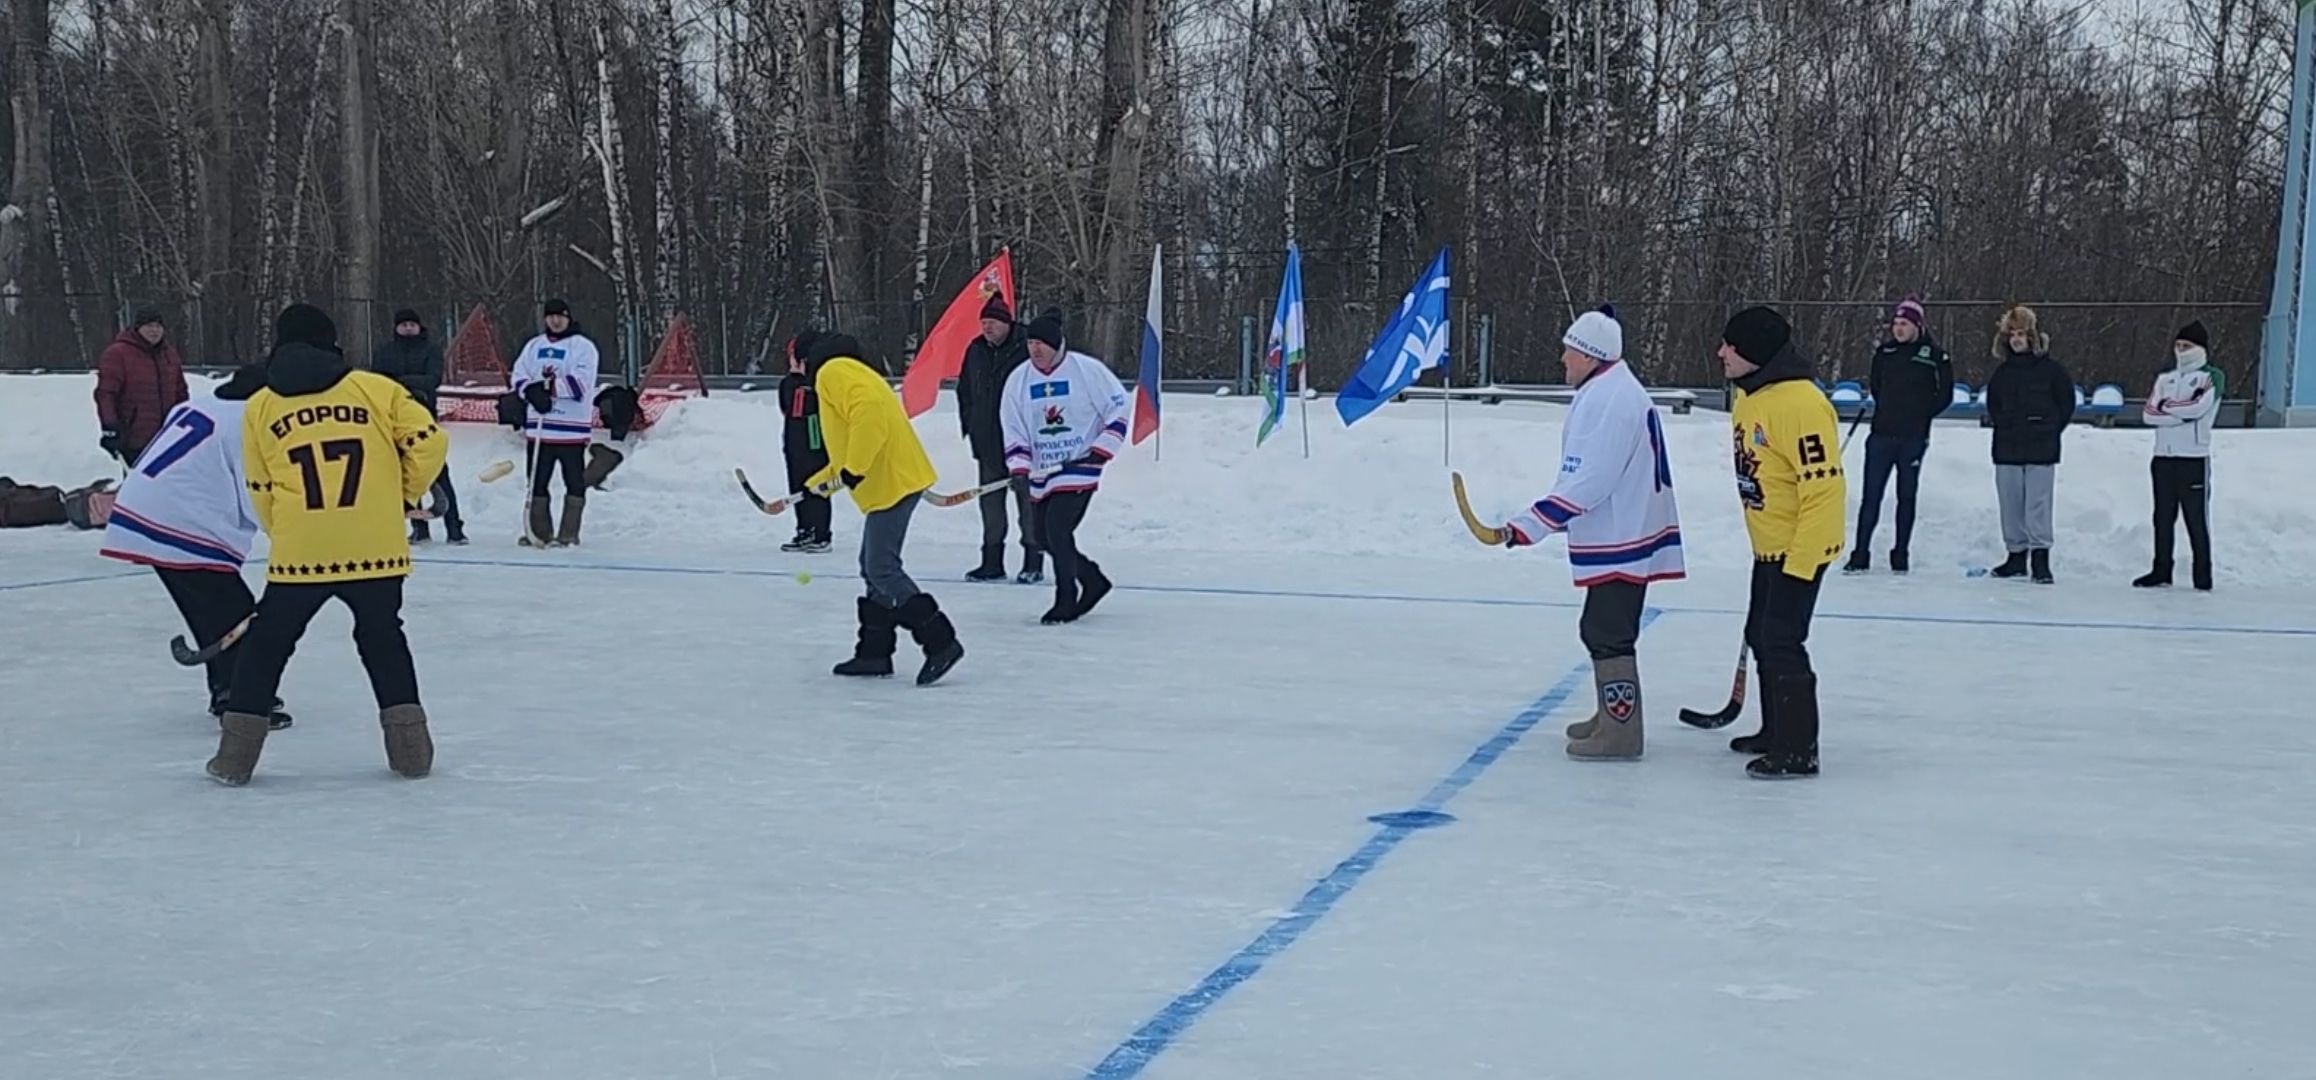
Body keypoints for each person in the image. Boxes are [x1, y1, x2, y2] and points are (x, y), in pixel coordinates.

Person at [206, 303, 447, 786]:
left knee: (268, 645)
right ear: (332, 343)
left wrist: (287, 531)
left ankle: (234, 760)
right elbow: (429, 441)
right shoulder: (377, 390)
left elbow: (259, 486)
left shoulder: (261, 407)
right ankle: (411, 753)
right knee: (383, 639)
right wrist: (400, 492)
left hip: (302, 554)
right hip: (376, 549)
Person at [1496, 305, 1683, 761]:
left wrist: (1530, 525)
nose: (1563, 358)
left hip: (1624, 533)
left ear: (1591, 356)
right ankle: (1611, 716)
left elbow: (1591, 479)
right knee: (1603, 625)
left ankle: (1621, 731)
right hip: (1624, 528)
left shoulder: (1609, 400)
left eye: (1570, 350)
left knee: (1607, 630)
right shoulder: (1610, 388)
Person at [96, 363, 292, 730]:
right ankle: (238, 701)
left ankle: (230, 688)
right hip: (181, 521)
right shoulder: (248, 422)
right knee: (235, 613)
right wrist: (290, 532)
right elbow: (255, 490)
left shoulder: (197, 405)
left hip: (149, 508)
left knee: (220, 611)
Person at [1720, 306, 1845, 780]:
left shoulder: (1802, 404)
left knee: (1783, 640)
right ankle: (1774, 730)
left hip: (1801, 547)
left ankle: (1798, 748)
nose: (1721, 353)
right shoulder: (1750, 396)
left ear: (1754, 351)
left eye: (1730, 345)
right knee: (1761, 636)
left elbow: (1824, 488)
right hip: (1768, 546)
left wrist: (1802, 559)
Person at [805, 333, 964, 685]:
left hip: (893, 482)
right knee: (872, 566)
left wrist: (854, 470)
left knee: (881, 567)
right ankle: (874, 652)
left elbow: (870, 417)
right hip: (894, 480)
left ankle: (941, 641)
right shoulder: (855, 371)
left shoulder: (833, 372)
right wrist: (822, 482)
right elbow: (852, 445)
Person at [999, 308, 1130, 625]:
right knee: (1042, 538)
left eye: (1042, 343)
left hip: (1080, 465)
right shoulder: (1019, 379)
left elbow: (1120, 406)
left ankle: (1065, 597)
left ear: (1056, 345)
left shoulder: (1087, 370)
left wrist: (1102, 448)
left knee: (1058, 529)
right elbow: (1013, 425)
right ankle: (1093, 580)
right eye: (1031, 343)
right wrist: (1019, 466)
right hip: (1042, 471)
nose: (1036, 349)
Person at [1843, 296, 1952, 575]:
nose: (1899, 329)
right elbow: (1877, 386)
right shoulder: (1885, 353)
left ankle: (1901, 552)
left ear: (1917, 325)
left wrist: (1921, 414)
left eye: (1904, 324)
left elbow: (1945, 394)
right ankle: (1860, 552)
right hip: (1882, 434)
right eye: (1895, 324)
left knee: (1907, 495)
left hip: (1913, 437)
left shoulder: (1935, 356)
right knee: (1871, 495)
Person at [1983, 305, 2074, 584]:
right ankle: (2016, 555)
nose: (2017, 339)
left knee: (2038, 504)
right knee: (2011, 503)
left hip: (2041, 446)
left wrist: (2048, 427)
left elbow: (2066, 403)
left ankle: (2040, 557)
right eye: (2012, 334)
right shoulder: (2002, 373)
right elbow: (1993, 405)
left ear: (2032, 337)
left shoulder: (2052, 371)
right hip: (2008, 447)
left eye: (2021, 333)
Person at [957, 295, 1042, 582]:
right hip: (986, 442)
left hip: (1022, 442)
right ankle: (991, 561)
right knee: (991, 506)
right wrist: (970, 424)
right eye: (983, 322)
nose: (987, 327)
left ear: (1007, 323)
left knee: (1028, 505)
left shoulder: (1027, 347)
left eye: (992, 322)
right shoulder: (975, 350)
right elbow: (964, 389)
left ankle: (1033, 561)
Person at [2135, 321, 2219, 591]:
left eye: (2187, 346)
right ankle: (2161, 570)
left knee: (2196, 519)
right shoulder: (2165, 379)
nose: (2181, 351)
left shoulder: (2211, 376)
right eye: (2178, 346)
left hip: (2193, 458)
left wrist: (2168, 407)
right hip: (2163, 457)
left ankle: (2202, 575)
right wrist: (2175, 415)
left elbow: (2198, 408)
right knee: (2162, 517)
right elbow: (2149, 414)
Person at [371, 308, 466, 545]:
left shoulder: (431, 349)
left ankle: (455, 528)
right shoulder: (385, 351)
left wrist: (403, 383)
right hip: (393, 421)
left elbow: (433, 378)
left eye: (412, 325)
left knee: (438, 472)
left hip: (423, 421)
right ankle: (419, 527)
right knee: (406, 475)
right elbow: (377, 381)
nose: (408, 329)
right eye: (404, 325)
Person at [511, 298, 600, 546]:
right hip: (540, 428)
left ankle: (569, 533)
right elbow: (519, 374)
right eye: (550, 316)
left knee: (573, 480)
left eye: (560, 316)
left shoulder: (583, 347)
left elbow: (581, 382)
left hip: (570, 429)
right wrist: (529, 391)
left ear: (568, 317)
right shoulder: (533, 346)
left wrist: (547, 389)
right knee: (537, 481)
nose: (555, 320)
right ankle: (539, 531)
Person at [94, 309, 190, 467]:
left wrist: (183, 419)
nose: (155, 330)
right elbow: (106, 394)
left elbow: (180, 391)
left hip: (167, 436)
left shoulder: (169, 355)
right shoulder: (118, 354)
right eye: (149, 326)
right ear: (138, 328)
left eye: (158, 326)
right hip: (134, 437)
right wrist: (110, 426)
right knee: (137, 484)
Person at [779, 330, 833, 553]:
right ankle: (804, 529)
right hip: (794, 441)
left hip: (815, 442)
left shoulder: (821, 381)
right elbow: (788, 409)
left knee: (817, 488)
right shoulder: (788, 383)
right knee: (797, 486)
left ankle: (821, 533)